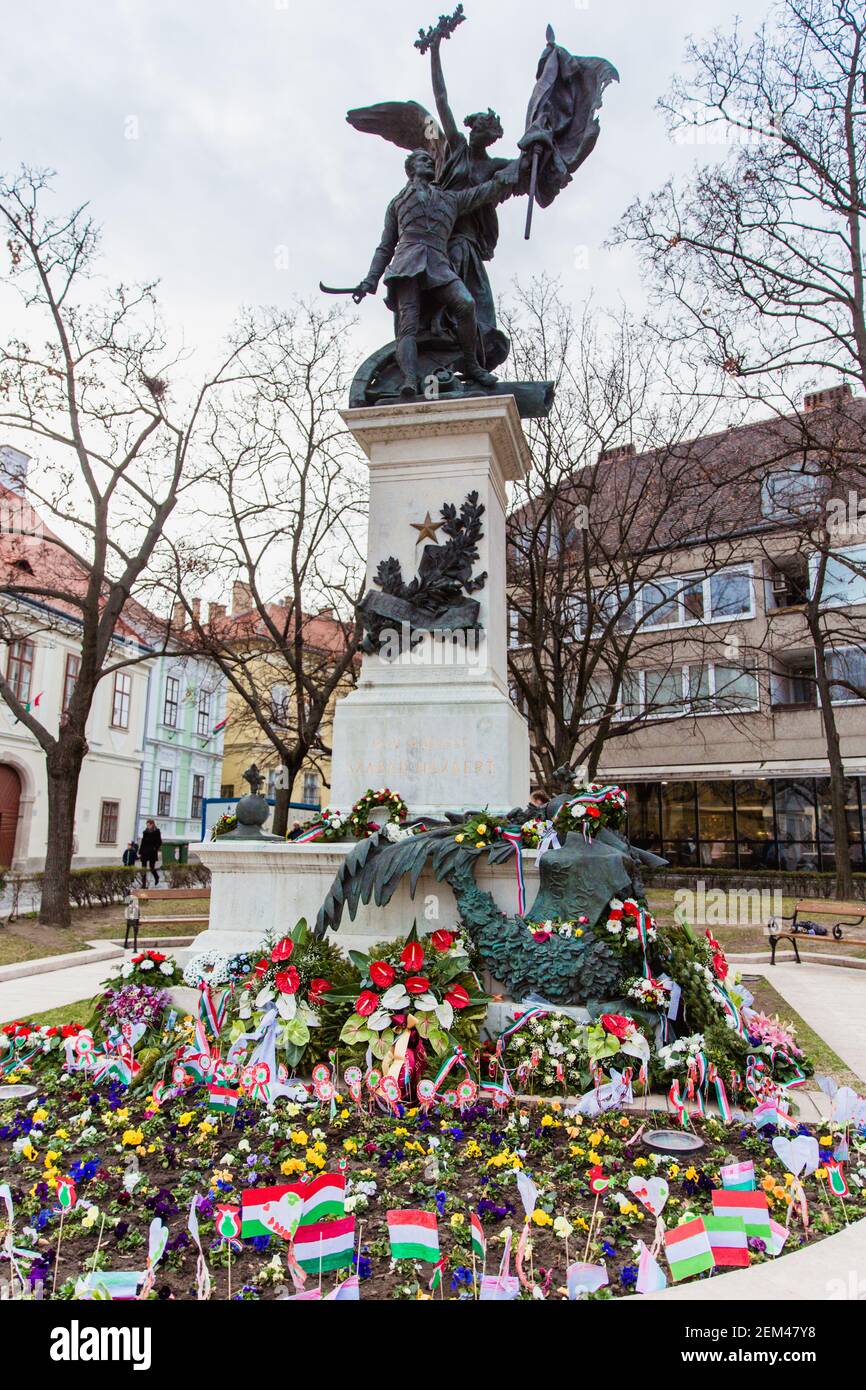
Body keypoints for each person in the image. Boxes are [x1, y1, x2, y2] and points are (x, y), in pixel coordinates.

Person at [354, 148, 519, 398]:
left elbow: (485, 192)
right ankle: (409, 378)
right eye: (423, 160)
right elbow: (386, 246)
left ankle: (472, 365)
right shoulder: (397, 203)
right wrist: (370, 280)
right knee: (407, 328)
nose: (430, 164)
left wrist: (516, 168)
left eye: (431, 161)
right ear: (411, 169)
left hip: (439, 265)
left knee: (466, 305)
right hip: (406, 266)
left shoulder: (450, 199)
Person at [139, 819, 163, 887]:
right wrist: (140, 852)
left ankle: (156, 877)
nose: (147, 826)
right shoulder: (145, 832)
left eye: (148, 825)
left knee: (151, 867)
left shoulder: (157, 831)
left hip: (152, 852)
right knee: (143, 868)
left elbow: (159, 842)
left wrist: (155, 848)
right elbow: (143, 842)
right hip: (144, 851)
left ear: (152, 824)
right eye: (147, 825)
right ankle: (143, 884)